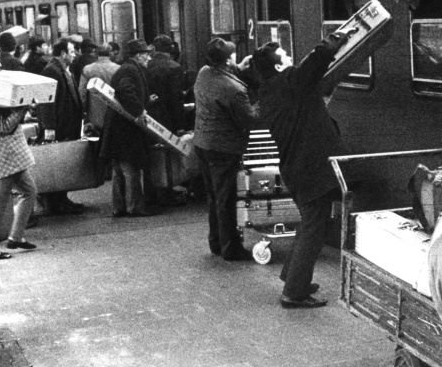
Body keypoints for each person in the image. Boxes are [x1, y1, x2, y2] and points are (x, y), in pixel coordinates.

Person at [251, 31, 352, 308]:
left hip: (298, 168)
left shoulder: (271, 90)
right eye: (285, 57)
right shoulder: (288, 82)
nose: (291, 59)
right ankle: (294, 293)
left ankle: (292, 276)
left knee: (308, 224)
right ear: (278, 66)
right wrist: (331, 43)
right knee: (313, 228)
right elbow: (312, 65)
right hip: (310, 169)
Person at [194, 37, 259, 261]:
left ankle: (216, 242)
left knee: (214, 197)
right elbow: (251, 119)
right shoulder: (233, 89)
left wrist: (238, 69)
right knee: (227, 199)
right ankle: (232, 248)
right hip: (224, 149)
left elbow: (222, 82)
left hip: (203, 144)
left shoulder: (204, 73)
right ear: (228, 60)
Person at [100, 38, 159, 218]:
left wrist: (145, 100)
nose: (149, 59)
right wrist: (139, 110)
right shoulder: (131, 70)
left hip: (118, 127)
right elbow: (126, 91)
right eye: (147, 55)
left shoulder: (127, 68)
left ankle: (119, 207)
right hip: (125, 129)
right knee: (132, 168)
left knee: (119, 170)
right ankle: (135, 207)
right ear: (139, 56)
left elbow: (126, 93)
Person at [37, 38, 84, 215]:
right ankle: (55, 203)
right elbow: (46, 102)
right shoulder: (51, 71)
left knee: (63, 164)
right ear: (63, 54)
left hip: (68, 125)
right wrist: (49, 128)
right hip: (59, 126)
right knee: (56, 164)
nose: (74, 55)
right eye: (72, 52)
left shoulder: (64, 69)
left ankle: (62, 199)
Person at [145, 34, 186, 206]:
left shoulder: (147, 65)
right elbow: (176, 99)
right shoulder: (174, 67)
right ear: (171, 48)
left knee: (153, 154)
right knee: (168, 154)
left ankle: (154, 190)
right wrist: (180, 124)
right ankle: (168, 190)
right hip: (167, 116)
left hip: (150, 114)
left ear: (154, 47)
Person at [0, 106, 38, 259]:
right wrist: (22, 108)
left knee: (29, 191)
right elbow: (4, 126)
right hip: (4, 156)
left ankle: (16, 236)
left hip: (11, 155)